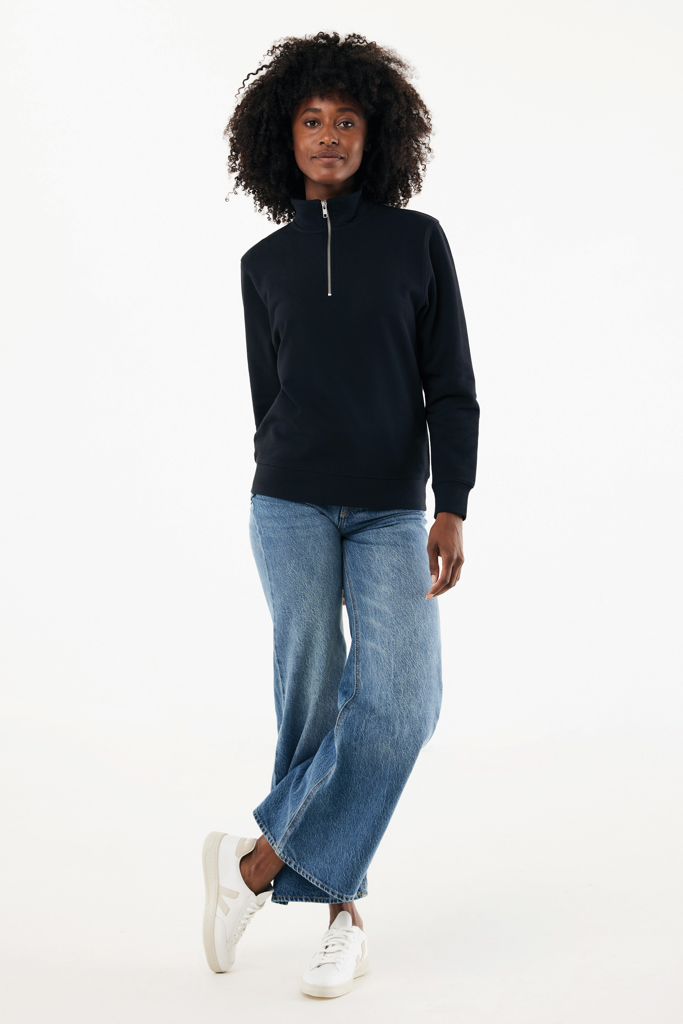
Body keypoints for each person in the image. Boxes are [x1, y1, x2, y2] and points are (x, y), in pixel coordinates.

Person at [202, 30, 480, 999]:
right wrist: (285, 467)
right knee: (313, 700)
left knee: (400, 706)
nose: (328, 136)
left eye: (347, 120)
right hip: (286, 505)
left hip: (391, 512)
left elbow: (450, 386)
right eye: (312, 120)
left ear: (376, 134)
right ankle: (341, 918)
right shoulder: (262, 263)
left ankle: (253, 864)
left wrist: (451, 503)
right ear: (282, 137)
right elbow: (266, 397)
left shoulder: (416, 241)